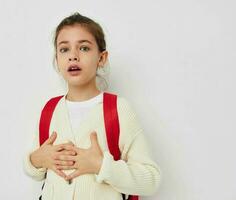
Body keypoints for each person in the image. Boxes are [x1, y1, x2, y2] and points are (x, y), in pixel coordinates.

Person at [22, 12, 161, 200]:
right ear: (57, 60)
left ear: (101, 58)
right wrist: (35, 160)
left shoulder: (117, 109)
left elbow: (151, 180)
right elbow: (35, 167)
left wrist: (101, 165)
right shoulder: (50, 110)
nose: (73, 56)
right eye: (64, 49)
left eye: (84, 48)